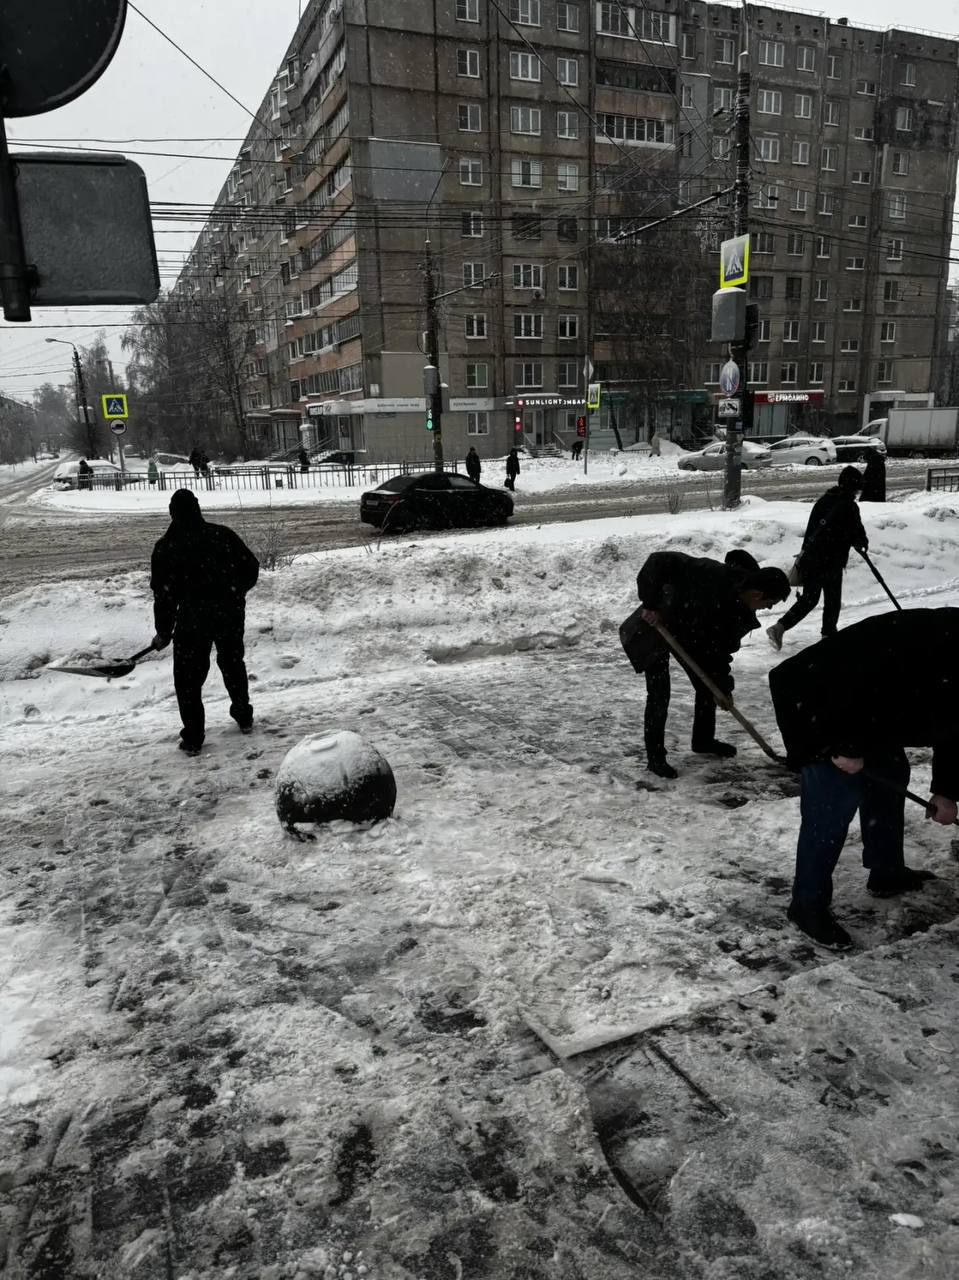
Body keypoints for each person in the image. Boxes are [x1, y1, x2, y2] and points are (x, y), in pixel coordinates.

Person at [769, 609, 958, 950]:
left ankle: (886, 872)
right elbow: (858, 679)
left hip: (873, 712)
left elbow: (955, 724)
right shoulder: (943, 645)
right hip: (819, 700)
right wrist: (847, 747)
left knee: (892, 772)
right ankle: (807, 905)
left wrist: (946, 792)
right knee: (833, 803)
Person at [621, 549, 791, 779]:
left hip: (689, 637)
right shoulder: (712, 575)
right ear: (758, 594)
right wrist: (651, 605)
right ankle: (655, 758)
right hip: (657, 626)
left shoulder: (738, 615)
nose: (768, 609)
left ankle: (703, 740)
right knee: (659, 693)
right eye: (770, 603)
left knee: (708, 686)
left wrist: (723, 689)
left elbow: (719, 655)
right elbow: (658, 560)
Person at [150, 489, 260, 756]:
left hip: (192, 620)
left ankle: (193, 736)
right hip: (228, 614)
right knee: (232, 663)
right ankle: (243, 715)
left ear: (172, 514)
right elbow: (251, 567)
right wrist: (235, 593)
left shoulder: (166, 548)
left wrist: (163, 632)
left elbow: (164, 596)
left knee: (187, 679)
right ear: (198, 508)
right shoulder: (221, 535)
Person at [767, 465, 867, 651]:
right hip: (830, 562)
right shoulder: (848, 506)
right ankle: (828, 636)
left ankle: (779, 627)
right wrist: (861, 542)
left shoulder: (823, 501)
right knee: (832, 599)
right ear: (854, 487)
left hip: (811, 559)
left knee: (809, 599)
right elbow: (857, 533)